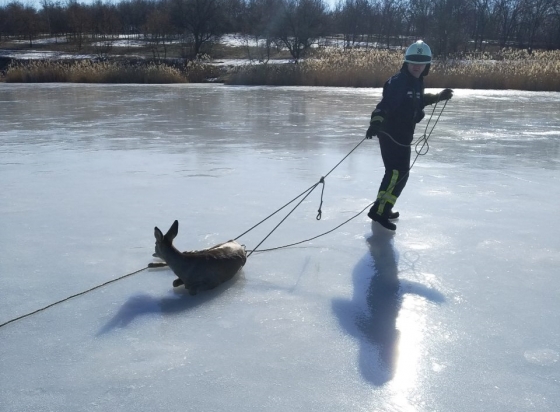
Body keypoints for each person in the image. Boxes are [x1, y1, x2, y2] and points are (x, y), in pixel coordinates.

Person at [365, 40, 453, 231]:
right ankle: (379, 211)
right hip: (391, 134)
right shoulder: (399, 82)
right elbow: (385, 105)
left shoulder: (415, 82)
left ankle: (383, 208)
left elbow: (418, 101)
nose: (417, 66)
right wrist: (376, 122)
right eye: (413, 62)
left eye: (421, 63)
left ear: (426, 66)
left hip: (403, 136)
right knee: (397, 173)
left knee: (398, 174)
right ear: (406, 62)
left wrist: (438, 97)